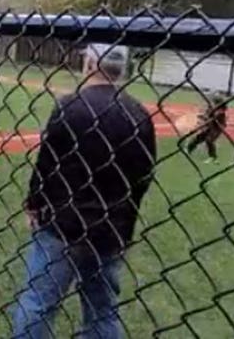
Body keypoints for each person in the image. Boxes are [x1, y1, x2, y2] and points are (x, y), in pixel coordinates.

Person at [12, 43, 157, 339]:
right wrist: (126, 229)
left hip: (60, 224)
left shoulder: (69, 105)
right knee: (101, 311)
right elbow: (142, 179)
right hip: (109, 228)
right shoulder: (139, 114)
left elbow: (46, 164)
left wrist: (34, 203)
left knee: (38, 303)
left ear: (91, 64)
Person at [185, 93, 228, 164]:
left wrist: (204, 118)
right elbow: (207, 115)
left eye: (214, 101)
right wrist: (202, 116)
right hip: (210, 125)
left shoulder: (220, 111)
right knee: (199, 137)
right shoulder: (211, 108)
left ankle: (213, 157)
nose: (211, 102)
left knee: (209, 140)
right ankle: (189, 149)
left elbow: (211, 118)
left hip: (217, 128)